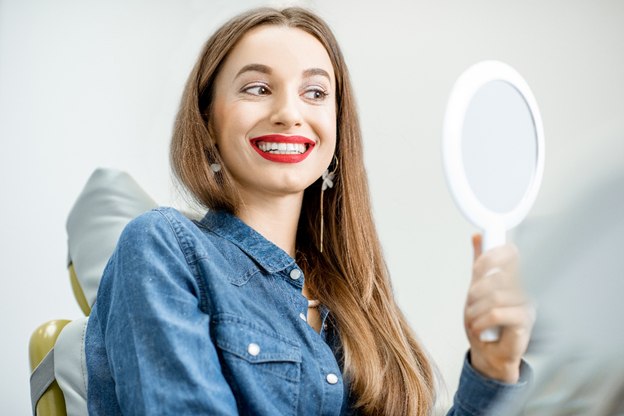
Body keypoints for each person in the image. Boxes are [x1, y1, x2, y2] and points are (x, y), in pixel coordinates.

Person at [85, 7, 534, 415]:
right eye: (257, 88)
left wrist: (493, 372)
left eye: (315, 92)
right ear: (207, 123)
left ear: (337, 129)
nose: (289, 112)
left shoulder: (361, 304)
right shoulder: (162, 246)